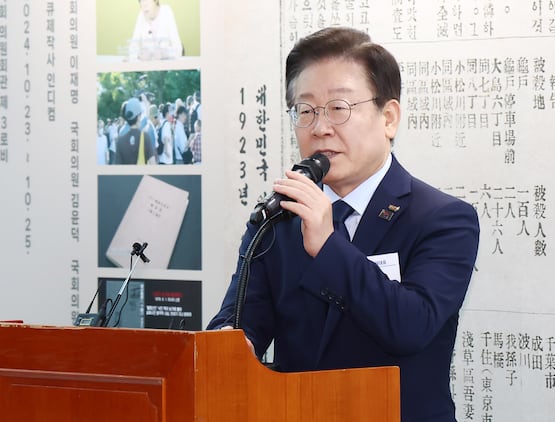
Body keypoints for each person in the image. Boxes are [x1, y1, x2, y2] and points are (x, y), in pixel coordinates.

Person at [207, 27, 480, 422]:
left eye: (338, 107)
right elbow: (240, 322)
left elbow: (410, 326)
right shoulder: (278, 219)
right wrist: (231, 344)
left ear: (389, 118)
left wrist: (327, 244)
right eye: (306, 111)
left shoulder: (444, 219)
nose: (320, 127)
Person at [114, 97, 157, 165]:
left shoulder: (120, 139)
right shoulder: (145, 137)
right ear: (138, 116)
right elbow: (153, 163)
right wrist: (144, 99)